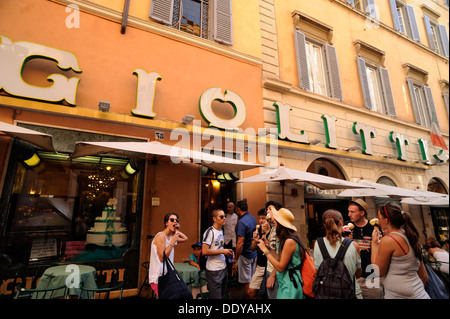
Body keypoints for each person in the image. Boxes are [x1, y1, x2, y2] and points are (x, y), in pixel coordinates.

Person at [371, 202, 429, 299]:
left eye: (379, 218)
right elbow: (424, 276)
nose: (378, 222)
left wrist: (374, 243)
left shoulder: (389, 240)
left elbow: (377, 272)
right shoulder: (411, 236)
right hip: (418, 293)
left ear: (386, 220)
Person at [314, 209, 362, 299]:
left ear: (324, 225)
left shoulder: (317, 244)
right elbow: (358, 274)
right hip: (350, 293)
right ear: (341, 223)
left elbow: (317, 271)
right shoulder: (354, 245)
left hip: (326, 294)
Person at [257, 207, 303, 299]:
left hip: (290, 284)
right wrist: (269, 248)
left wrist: (265, 251)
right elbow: (280, 258)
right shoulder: (286, 239)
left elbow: (280, 267)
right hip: (285, 283)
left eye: (276, 222)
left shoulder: (289, 241)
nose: (275, 225)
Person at [347, 198, 381, 299]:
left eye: (352, 212)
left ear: (362, 213)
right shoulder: (347, 227)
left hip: (371, 276)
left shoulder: (373, 227)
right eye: (348, 211)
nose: (349, 214)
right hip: (352, 276)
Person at [148, 212, 188, 297]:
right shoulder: (161, 236)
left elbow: (185, 238)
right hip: (159, 277)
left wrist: (177, 231)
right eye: (172, 220)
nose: (175, 222)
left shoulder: (170, 237)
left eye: (177, 220)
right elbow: (162, 258)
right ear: (166, 223)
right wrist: (172, 242)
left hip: (167, 275)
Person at [202, 209, 234, 299]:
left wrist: (227, 252)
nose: (224, 218)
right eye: (221, 217)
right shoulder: (209, 232)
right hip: (213, 270)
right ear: (214, 219)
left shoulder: (220, 230)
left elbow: (218, 247)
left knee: (222, 295)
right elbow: (204, 251)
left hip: (223, 268)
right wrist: (223, 251)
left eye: (225, 216)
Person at [232, 200, 257, 297]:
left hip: (245, 255)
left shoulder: (242, 222)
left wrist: (235, 260)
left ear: (238, 209)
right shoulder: (252, 218)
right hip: (253, 254)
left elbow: (240, 243)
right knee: (252, 281)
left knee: (247, 283)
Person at [248, 208, 270, 298]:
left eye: (263, 218)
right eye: (260, 218)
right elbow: (252, 249)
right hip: (260, 266)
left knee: (267, 293)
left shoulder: (272, 231)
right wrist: (254, 239)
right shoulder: (257, 230)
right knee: (251, 291)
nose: (261, 220)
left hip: (269, 266)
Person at [263, 201, 282, 299]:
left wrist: (273, 275)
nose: (267, 211)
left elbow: (281, 256)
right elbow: (273, 250)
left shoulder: (280, 229)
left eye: (270, 209)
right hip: (269, 269)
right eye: (267, 209)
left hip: (275, 272)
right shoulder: (273, 228)